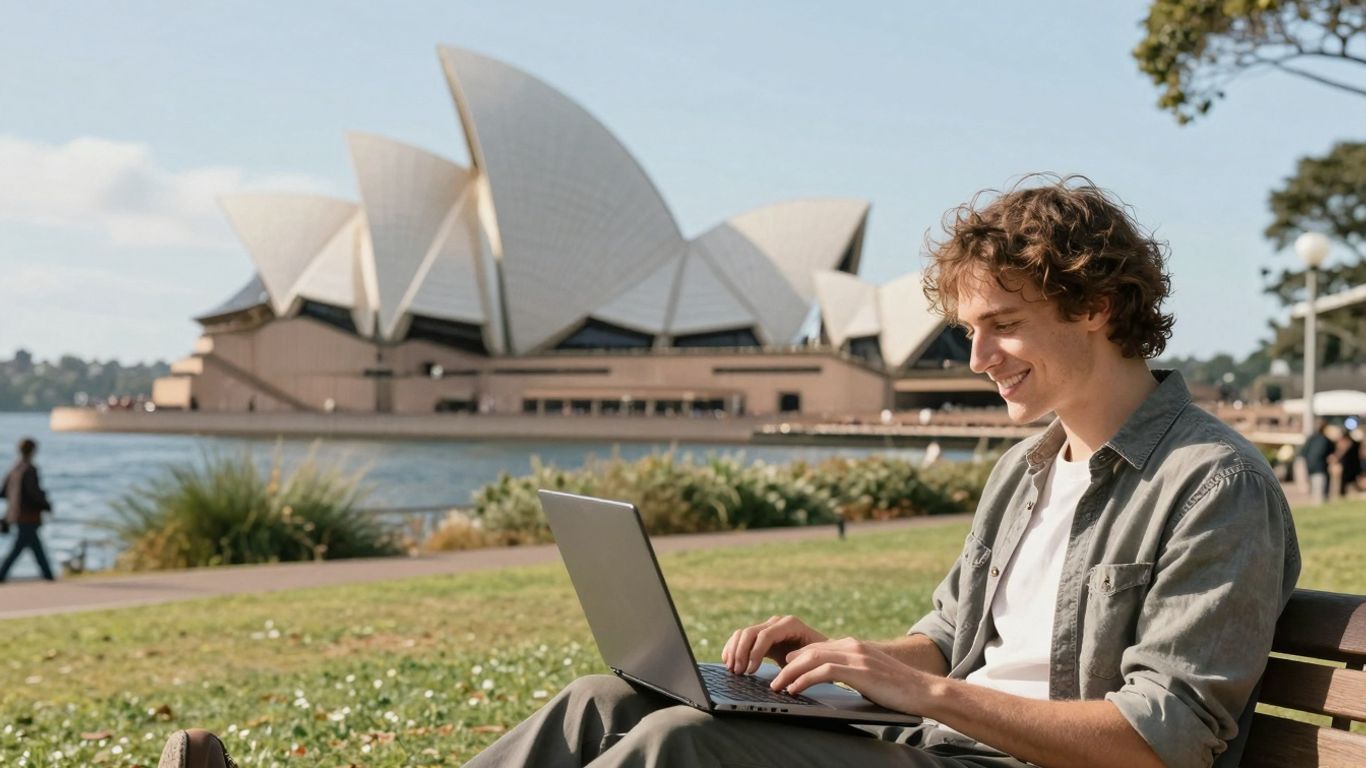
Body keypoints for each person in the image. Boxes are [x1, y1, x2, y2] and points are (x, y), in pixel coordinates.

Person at [165, 176, 1303, 768]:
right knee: (607, 701)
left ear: (1098, 307)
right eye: (966, 329)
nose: (977, 359)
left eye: (1003, 324)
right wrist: (842, 658)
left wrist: (925, 693)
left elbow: (1165, 742)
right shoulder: (1029, 470)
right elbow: (951, 640)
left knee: (679, 749)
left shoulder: (1209, 484)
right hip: (929, 744)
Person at [0, 437, 56, 582]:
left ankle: (48, 575)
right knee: (21, 546)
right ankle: (2, 574)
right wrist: (46, 505)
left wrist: (13, 503)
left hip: (15, 515)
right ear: (33, 451)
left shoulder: (14, 469)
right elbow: (34, 493)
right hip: (28, 515)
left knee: (33, 545)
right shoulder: (29, 470)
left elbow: (3, 492)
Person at [1301, 418, 1332, 504]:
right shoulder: (1325, 440)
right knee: (1319, 492)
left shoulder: (1311, 439)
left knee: (1316, 490)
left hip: (1311, 468)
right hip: (1319, 468)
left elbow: (1303, 453)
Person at [1332, 429, 1362, 498]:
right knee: (1349, 481)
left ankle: (1344, 494)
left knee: (1348, 481)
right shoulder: (1355, 444)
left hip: (1349, 466)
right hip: (1351, 466)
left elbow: (1340, 453)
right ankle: (1344, 494)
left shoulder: (1350, 444)